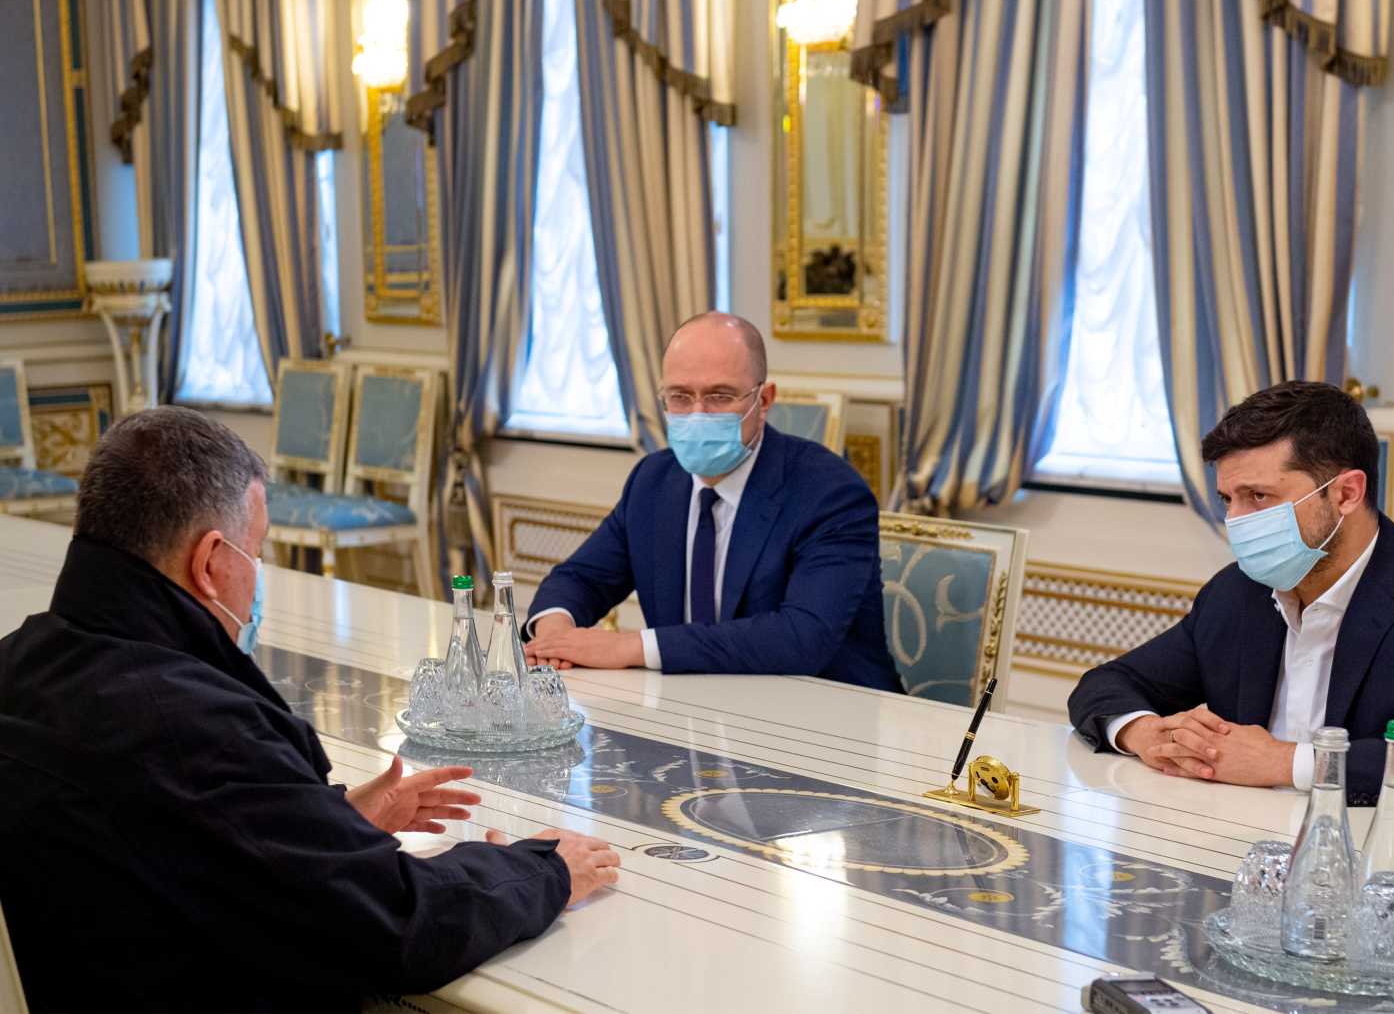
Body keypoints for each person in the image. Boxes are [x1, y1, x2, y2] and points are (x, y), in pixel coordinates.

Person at [0, 407, 621, 1012]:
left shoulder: (18, 663)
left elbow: (179, 831)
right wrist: (542, 869)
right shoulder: (198, 725)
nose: (258, 571)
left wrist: (325, 822)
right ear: (213, 563)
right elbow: (394, 925)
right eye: (257, 549)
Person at [1067, 381, 1394, 813]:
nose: (1235, 522)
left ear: (1346, 493)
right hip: (1236, 845)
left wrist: (1285, 762)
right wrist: (1147, 734)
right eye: (1227, 499)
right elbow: (1105, 685)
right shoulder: (1236, 592)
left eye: (1258, 497)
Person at [524, 311, 902, 692]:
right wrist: (555, 634)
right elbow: (581, 578)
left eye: (719, 396)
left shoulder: (831, 492)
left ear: (764, 399)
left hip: (827, 718)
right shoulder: (653, 481)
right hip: (687, 708)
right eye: (680, 396)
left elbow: (801, 637)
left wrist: (631, 645)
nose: (697, 413)